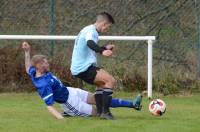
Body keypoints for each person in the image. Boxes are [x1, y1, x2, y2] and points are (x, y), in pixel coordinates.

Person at [22, 42, 142, 120]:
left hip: (70, 91)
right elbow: (49, 105)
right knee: (98, 113)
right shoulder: (43, 84)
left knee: (98, 100)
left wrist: (27, 52)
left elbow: (28, 68)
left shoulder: (34, 71)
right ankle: (69, 112)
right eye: (45, 62)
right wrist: (60, 119)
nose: (48, 63)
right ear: (38, 65)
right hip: (69, 102)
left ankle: (132, 104)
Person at [70, 12, 142, 119]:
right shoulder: (92, 31)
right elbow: (90, 43)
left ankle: (100, 112)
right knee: (110, 81)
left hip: (78, 68)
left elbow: (88, 46)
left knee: (102, 85)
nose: (106, 30)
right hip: (84, 67)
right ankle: (106, 113)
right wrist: (102, 51)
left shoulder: (87, 29)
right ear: (103, 23)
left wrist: (104, 48)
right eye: (107, 27)